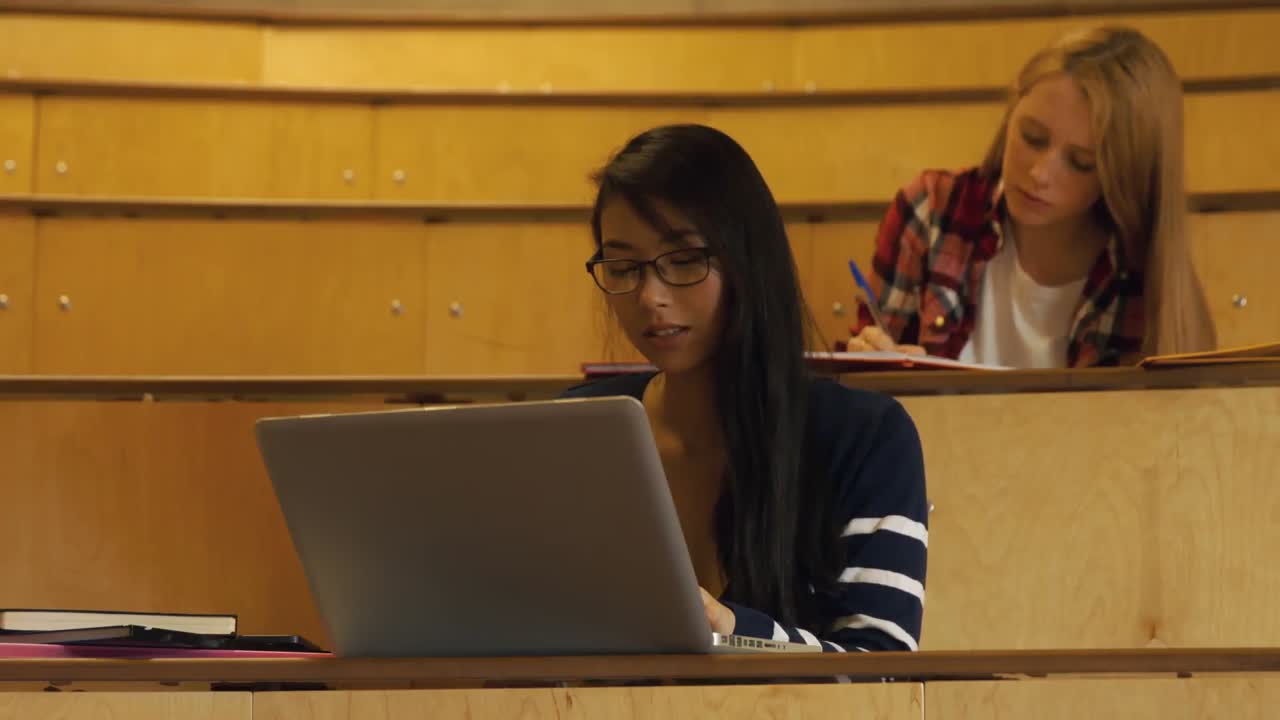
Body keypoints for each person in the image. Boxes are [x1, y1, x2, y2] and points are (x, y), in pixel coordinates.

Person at [563, 124, 927, 652]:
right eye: (623, 267)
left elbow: (883, 672)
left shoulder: (867, 437)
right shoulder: (581, 431)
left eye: (684, 260)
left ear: (746, 258)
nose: (650, 296)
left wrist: (731, 630)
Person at [847, 27, 1216, 367]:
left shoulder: (1141, 273)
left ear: (1122, 176)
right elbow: (866, 386)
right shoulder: (931, 209)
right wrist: (872, 362)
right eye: (1032, 137)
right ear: (1013, 110)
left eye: (1080, 163)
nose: (1039, 174)